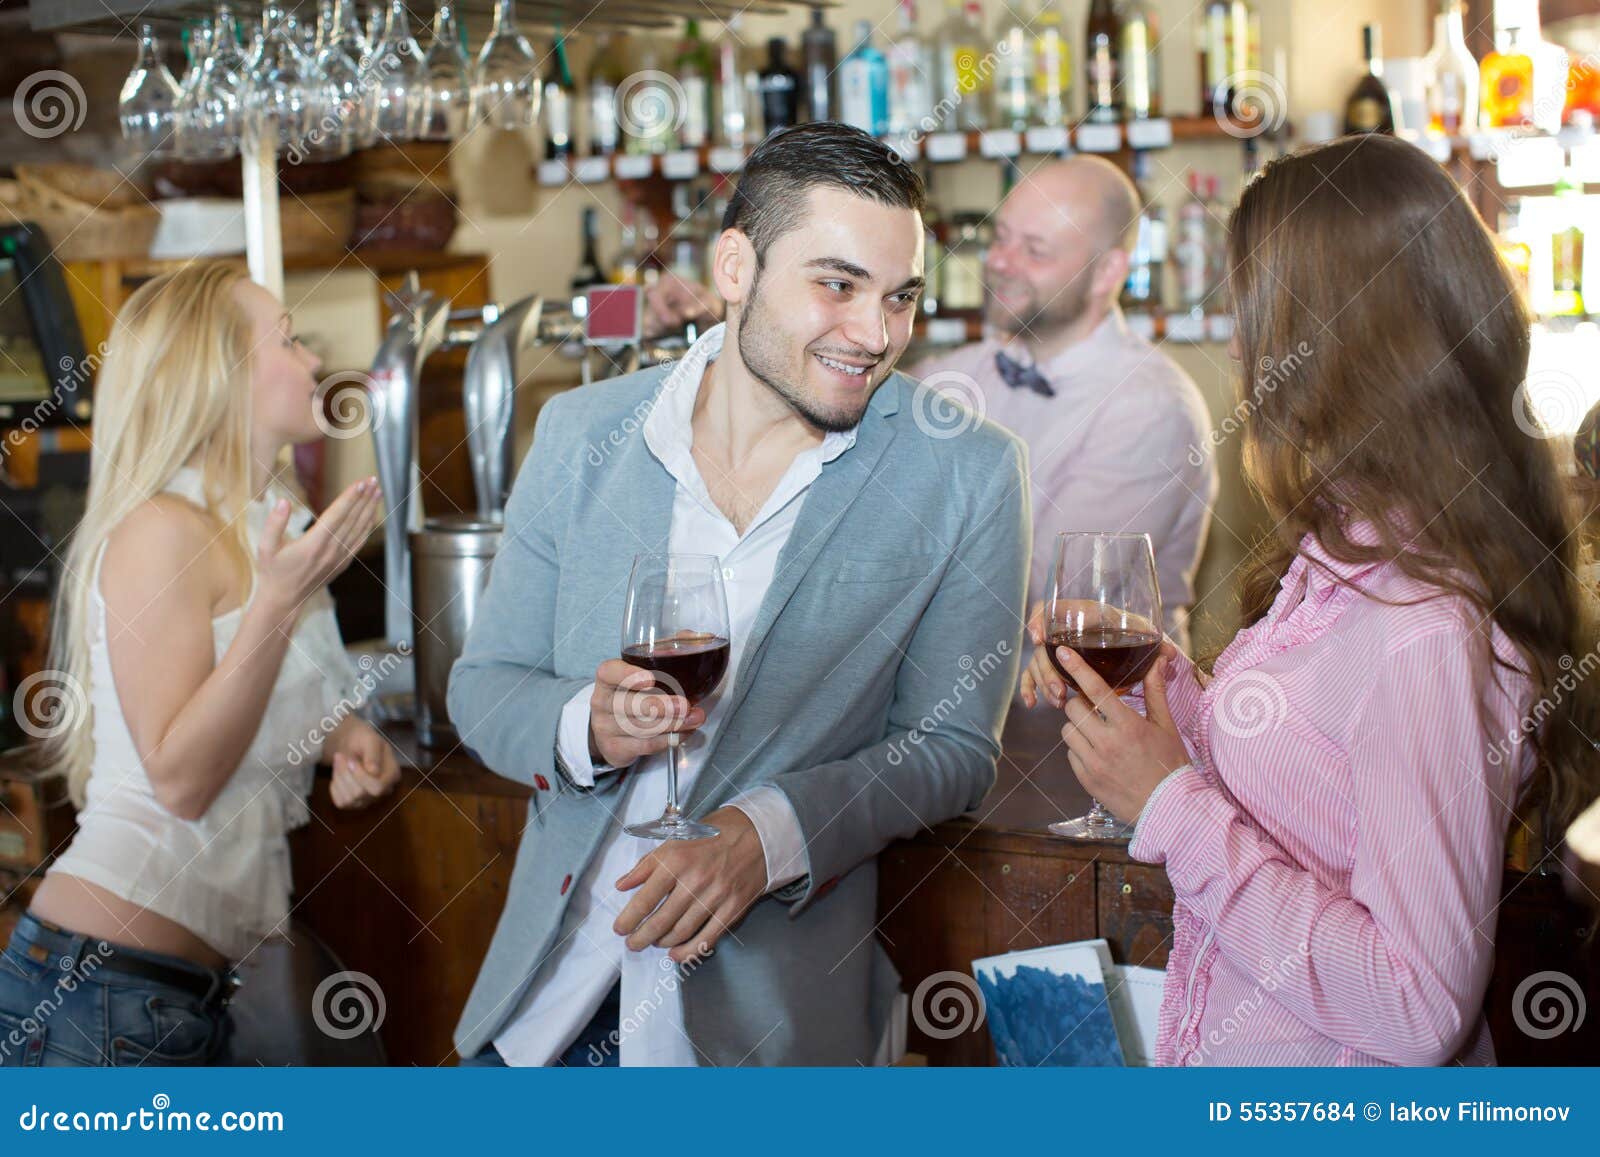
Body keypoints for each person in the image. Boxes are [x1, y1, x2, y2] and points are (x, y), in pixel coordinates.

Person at [446, 123, 1029, 1067]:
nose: (876, 335)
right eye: (837, 285)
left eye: (901, 297)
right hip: (542, 1016)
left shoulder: (968, 471)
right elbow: (484, 687)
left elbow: (955, 750)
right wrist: (585, 726)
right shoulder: (581, 433)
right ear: (734, 267)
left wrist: (770, 834)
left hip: (764, 1035)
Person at [1022, 135, 1600, 1066]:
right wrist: (1158, 680)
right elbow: (1309, 785)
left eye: (1254, 311)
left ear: (1336, 345)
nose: (1237, 344)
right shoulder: (1347, 551)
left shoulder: (1422, 629)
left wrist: (1169, 803)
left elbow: (1417, 1007)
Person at [0, 263, 400, 1068]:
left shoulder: (261, 526)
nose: (314, 361)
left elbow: (250, 697)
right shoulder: (162, 529)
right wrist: (278, 602)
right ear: (219, 377)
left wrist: (341, 737)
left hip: (178, 991)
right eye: (287, 340)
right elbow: (181, 778)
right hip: (97, 988)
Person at [646, 157, 1216, 652]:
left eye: (1035, 250)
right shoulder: (963, 371)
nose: (1001, 262)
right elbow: (823, 396)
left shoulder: (1150, 407)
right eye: (1001, 238)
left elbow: (1041, 593)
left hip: (1085, 729)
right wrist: (741, 311)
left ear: (1108, 272)